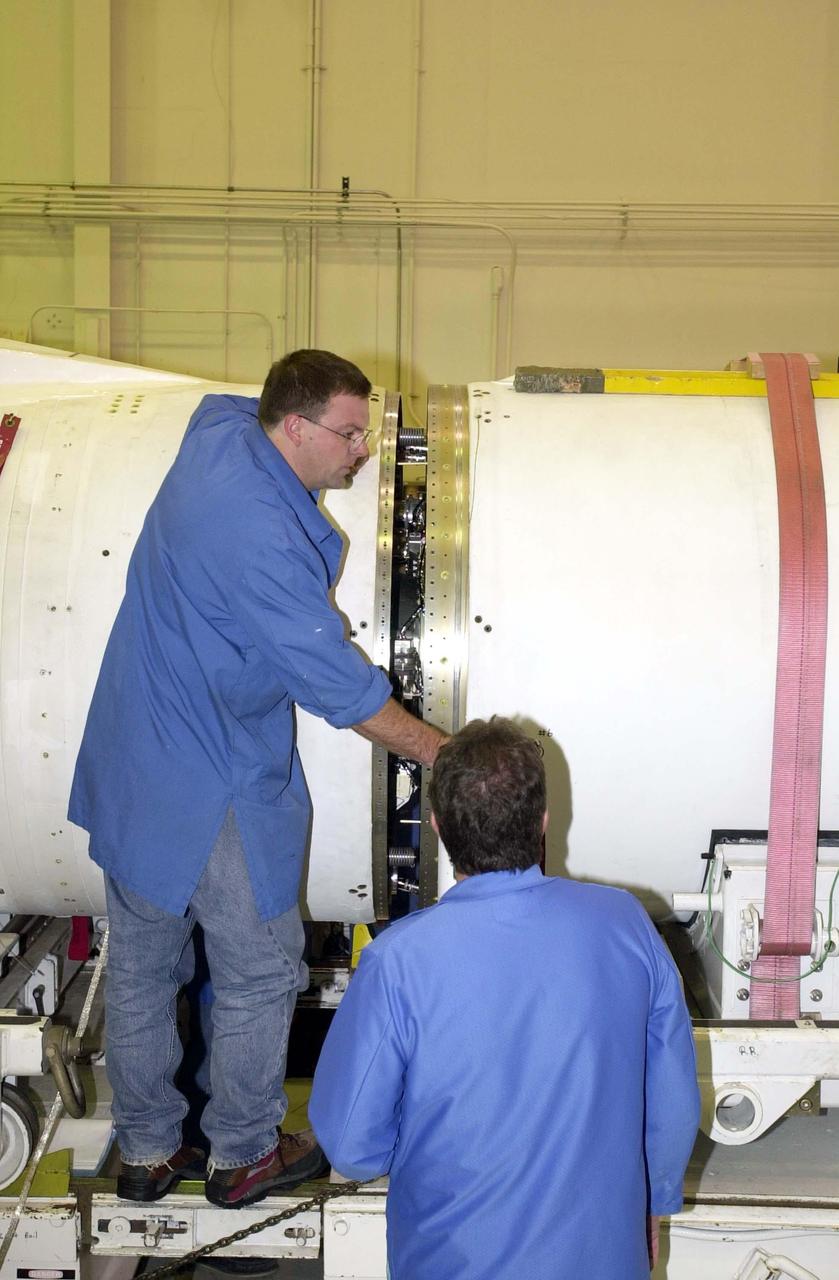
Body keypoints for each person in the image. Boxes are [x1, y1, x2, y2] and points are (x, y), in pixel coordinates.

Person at [68, 349, 446, 1208]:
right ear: (297, 427)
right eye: (349, 435)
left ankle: (147, 1150)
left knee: (143, 967)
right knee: (261, 971)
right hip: (209, 779)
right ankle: (241, 1153)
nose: (361, 451)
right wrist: (439, 752)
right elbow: (339, 688)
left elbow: (233, 402)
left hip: (134, 759)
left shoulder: (218, 433)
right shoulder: (259, 537)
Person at [310, 717, 700, 1279]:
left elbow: (352, 1145)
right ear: (542, 820)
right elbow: (673, 1095)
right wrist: (654, 1198)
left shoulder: (397, 961)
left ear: (437, 827)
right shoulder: (625, 924)